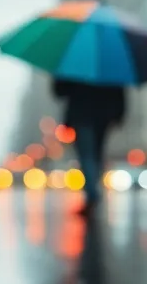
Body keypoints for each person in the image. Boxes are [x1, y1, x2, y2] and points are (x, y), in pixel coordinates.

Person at [53, 78, 125, 216]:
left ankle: (92, 194)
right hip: (104, 113)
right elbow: (119, 90)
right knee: (96, 155)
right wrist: (119, 113)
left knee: (87, 156)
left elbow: (60, 91)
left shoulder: (74, 66)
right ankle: (93, 190)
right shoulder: (109, 64)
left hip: (82, 114)